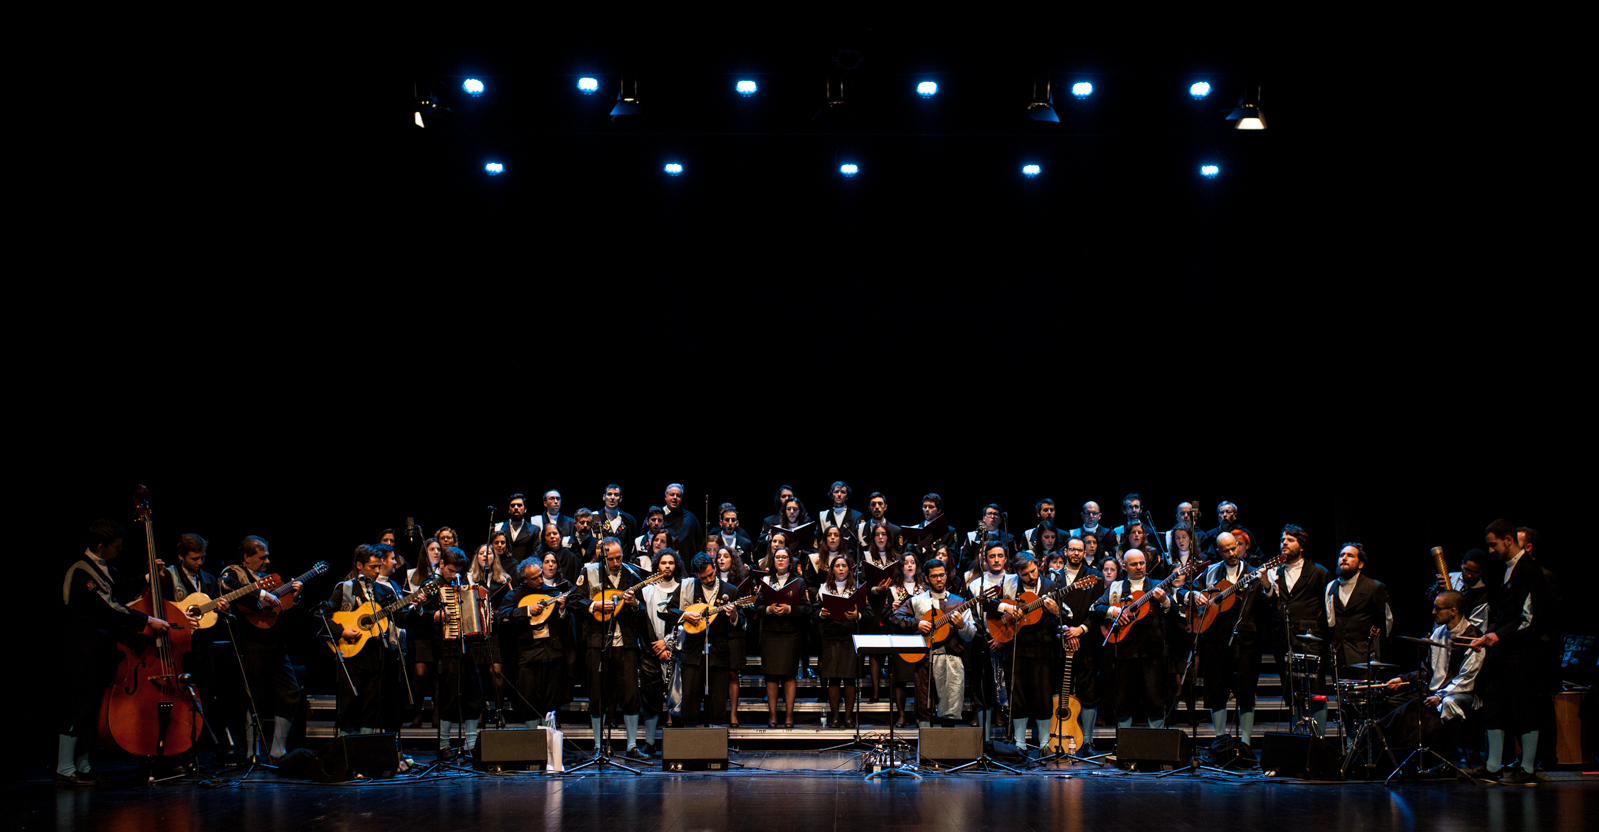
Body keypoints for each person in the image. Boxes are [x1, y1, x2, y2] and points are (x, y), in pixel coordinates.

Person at [57, 519, 175, 786]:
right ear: (101, 545)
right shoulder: (81, 572)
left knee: (90, 707)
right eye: (116, 545)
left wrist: (148, 577)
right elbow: (108, 608)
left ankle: (83, 766)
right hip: (80, 648)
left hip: (99, 648)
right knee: (77, 706)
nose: (121, 549)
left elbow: (120, 586)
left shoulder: (103, 567)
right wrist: (147, 621)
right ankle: (64, 769)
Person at [1468, 518, 1556, 786]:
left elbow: (1530, 618)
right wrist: (1488, 635)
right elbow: (1506, 613)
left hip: (1523, 654)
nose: (1491, 551)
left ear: (1508, 540)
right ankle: (1493, 766)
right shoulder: (1507, 570)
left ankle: (1528, 769)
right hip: (1504, 653)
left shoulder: (1529, 570)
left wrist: (1499, 635)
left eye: (1493, 545)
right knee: (1494, 707)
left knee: (1525, 709)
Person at [221, 535, 303, 763]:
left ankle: (278, 751)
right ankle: (251, 753)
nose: (267, 561)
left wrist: (295, 597)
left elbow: (283, 612)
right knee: (254, 697)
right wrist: (260, 593)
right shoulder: (235, 572)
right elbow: (226, 585)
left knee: (290, 693)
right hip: (251, 642)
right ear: (246, 557)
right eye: (262, 557)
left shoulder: (270, 579)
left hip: (276, 643)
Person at [1180, 532, 1266, 745]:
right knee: (1216, 692)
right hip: (1215, 640)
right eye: (1226, 550)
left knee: (1246, 692)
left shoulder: (1253, 573)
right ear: (1218, 551)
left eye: (1234, 547)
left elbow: (1268, 603)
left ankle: (1245, 744)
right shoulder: (1210, 572)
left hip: (1246, 641)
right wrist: (1192, 596)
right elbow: (1184, 589)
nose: (1231, 553)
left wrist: (1267, 586)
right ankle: (1220, 741)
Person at [571, 538, 647, 759]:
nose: (615, 562)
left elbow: (641, 610)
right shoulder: (589, 572)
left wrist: (634, 605)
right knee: (597, 694)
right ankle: (598, 746)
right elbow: (573, 601)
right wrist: (594, 605)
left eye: (619, 557)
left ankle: (632, 746)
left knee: (631, 693)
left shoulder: (631, 575)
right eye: (611, 559)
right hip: (597, 643)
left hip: (625, 644)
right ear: (603, 557)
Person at [1382, 589, 1483, 755]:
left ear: (1453, 611)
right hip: (1433, 691)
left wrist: (1440, 695)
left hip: (1462, 694)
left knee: (1447, 703)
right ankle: (1396, 756)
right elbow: (1428, 671)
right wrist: (1403, 679)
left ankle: (1442, 758)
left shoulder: (1473, 638)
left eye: (1438, 608)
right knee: (1392, 704)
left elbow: (1467, 678)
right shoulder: (1439, 633)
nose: (1433, 611)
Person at [327, 544, 410, 736]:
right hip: (351, 657)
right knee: (348, 705)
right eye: (372, 567)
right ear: (359, 565)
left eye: (378, 566)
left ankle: (365, 751)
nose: (376, 571)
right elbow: (323, 616)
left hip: (376, 657)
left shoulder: (384, 591)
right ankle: (346, 752)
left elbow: (401, 619)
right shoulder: (344, 588)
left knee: (371, 705)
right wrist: (341, 632)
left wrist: (417, 608)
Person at [420, 548, 491, 759]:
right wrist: (435, 616)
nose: (453, 576)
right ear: (441, 564)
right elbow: (415, 615)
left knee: (473, 695)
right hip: (444, 649)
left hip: (466, 647)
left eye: (458, 571)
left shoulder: (461, 584)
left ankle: (470, 744)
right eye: (450, 571)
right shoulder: (431, 585)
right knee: (448, 697)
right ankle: (443, 745)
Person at [1261, 524, 1330, 735]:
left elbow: (1326, 608)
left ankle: (1318, 739)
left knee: (1314, 691)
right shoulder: (1276, 571)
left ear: (1301, 546)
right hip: (1284, 638)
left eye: (1290, 540)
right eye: (1283, 540)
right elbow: (1273, 602)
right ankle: (1298, 737)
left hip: (1310, 638)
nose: (1284, 543)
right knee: (1291, 691)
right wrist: (1266, 584)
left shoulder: (1318, 572)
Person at [890, 558, 977, 726]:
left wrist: (961, 625)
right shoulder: (917, 600)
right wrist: (917, 624)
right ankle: (925, 751)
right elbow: (895, 617)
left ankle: (946, 748)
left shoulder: (959, 602)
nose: (939, 579)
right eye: (934, 576)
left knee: (950, 708)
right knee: (923, 706)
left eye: (942, 575)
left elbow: (969, 635)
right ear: (927, 579)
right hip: (925, 659)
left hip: (951, 658)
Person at [664, 552, 747, 727]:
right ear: (696, 575)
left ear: (714, 568)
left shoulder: (730, 590)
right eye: (704, 577)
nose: (709, 579)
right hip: (692, 653)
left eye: (711, 574)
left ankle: (715, 741)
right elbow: (665, 611)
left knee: (717, 700)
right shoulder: (687, 588)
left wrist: (733, 616)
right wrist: (685, 615)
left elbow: (741, 623)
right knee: (690, 697)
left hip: (718, 654)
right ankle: (691, 742)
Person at [1095, 550, 1171, 730]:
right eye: (1134, 564)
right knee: (1123, 699)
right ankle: (1123, 745)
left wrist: (1165, 601)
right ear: (1124, 567)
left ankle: (1157, 742)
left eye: (1142, 563)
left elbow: (1173, 612)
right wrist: (1112, 611)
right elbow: (1096, 607)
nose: (1139, 567)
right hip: (1124, 650)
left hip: (1152, 650)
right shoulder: (1116, 587)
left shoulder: (1157, 585)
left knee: (1155, 699)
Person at [496, 556, 569, 730]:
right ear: (524, 579)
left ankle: (548, 742)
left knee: (550, 699)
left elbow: (566, 623)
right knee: (529, 699)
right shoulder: (514, 595)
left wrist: (561, 609)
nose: (539, 580)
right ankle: (532, 742)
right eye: (534, 578)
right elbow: (503, 616)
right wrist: (527, 611)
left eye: (540, 576)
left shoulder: (552, 593)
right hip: (527, 655)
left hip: (551, 653)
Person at [1007, 554, 1063, 753]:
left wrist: (1056, 611)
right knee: (1019, 694)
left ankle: (1044, 744)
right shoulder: (1010, 586)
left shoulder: (1051, 586)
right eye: (1025, 574)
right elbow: (994, 608)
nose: (1031, 576)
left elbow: (1064, 616)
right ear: (1017, 574)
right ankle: (1020, 744)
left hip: (1043, 647)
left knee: (1043, 695)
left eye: (1033, 570)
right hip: (1018, 646)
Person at [965, 540, 1018, 738]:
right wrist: (990, 637)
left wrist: (1003, 638)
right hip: (984, 642)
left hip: (1010, 641)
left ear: (1006, 558)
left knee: (1011, 688)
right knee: (983, 689)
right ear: (985, 559)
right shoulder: (976, 584)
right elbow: (973, 615)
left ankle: (1013, 738)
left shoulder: (1014, 580)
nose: (996, 560)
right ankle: (984, 738)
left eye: (1000, 556)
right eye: (992, 556)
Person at [1055, 536, 1104, 739]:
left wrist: (1081, 629)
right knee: (1059, 689)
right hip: (1061, 640)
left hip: (1086, 641)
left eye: (1080, 550)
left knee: (1088, 692)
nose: (1076, 553)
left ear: (1085, 553)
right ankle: (1058, 735)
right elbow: (1051, 610)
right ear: (1065, 551)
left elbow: (1099, 609)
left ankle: (1088, 740)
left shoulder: (1095, 576)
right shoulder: (1054, 578)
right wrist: (1066, 631)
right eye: (1072, 549)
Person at [755, 547, 810, 727]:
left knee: (789, 675)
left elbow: (806, 609)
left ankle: (788, 716)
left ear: (790, 561)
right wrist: (770, 609)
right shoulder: (766, 581)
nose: (780, 560)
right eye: (777, 557)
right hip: (770, 633)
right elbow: (758, 608)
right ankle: (772, 716)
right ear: (773, 560)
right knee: (770, 676)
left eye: (784, 557)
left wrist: (789, 609)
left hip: (791, 633)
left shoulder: (799, 582)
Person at [635, 549, 680, 754]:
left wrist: (669, 644)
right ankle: (650, 742)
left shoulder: (683, 589)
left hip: (675, 652)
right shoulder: (647, 591)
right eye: (663, 563)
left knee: (677, 698)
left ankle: (677, 744)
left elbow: (683, 622)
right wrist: (657, 646)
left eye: (671, 562)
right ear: (657, 566)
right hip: (652, 652)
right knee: (650, 698)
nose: (667, 566)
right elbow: (644, 624)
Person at [1325, 542, 1393, 677]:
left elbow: (1386, 622)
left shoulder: (1374, 587)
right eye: (1342, 555)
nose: (1344, 558)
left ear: (1360, 564)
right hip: (1338, 657)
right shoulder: (1330, 587)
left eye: (1350, 556)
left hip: (1362, 657)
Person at [815, 554, 863, 728]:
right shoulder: (824, 589)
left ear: (849, 569)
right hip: (831, 637)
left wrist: (857, 615)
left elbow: (870, 613)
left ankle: (849, 717)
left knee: (850, 679)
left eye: (844, 566)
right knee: (833, 679)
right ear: (832, 569)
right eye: (837, 566)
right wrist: (821, 613)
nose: (841, 569)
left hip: (850, 638)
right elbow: (813, 613)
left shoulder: (857, 589)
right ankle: (835, 717)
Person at [884, 553, 928, 726]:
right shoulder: (893, 590)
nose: (910, 565)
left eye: (913, 562)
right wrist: (893, 608)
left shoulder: (924, 589)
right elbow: (884, 616)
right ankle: (901, 715)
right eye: (906, 563)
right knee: (900, 678)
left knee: (920, 678)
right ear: (901, 567)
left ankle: (919, 714)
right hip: (900, 638)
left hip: (919, 637)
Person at [715, 547, 751, 725]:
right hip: (715, 634)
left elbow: (746, 613)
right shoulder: (710, 580)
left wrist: (735, 615)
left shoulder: (739, 582)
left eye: (726, 556)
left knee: (732, 673)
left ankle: (733, 715)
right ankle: (718, 713)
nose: (721, 559)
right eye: (719, 556)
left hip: (734, 634)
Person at [1429, 548, 1491, 632]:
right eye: (1467, 570)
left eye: (1475, 572)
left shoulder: (1481, 595)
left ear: (1480, 572)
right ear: (1462, 564)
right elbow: (1429, 601)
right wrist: (1437, 591)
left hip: (1458, 637)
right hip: (1438, 633)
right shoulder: (1450, 578)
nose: (1469, 575)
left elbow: (1478, 629)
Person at [907, 493, 959, 558]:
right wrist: (918, 548)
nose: (927, 509)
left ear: (939, 510)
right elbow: (907, 555)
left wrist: (934, 552)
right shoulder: (915, 529)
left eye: (931, 507)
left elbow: (954, 556)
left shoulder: (949, 531)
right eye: (924, 507)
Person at [662, 483, 704, 559]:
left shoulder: (690, 518)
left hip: (685, 564)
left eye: (678, 496)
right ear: (665, 497)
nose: (675, 497)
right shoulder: (657, 517)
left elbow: (699, 543)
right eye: (672, 494)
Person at [819, 480, 866, 547]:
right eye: (836, 492)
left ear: (847, 497)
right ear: (832, 496)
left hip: (849, 555)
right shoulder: (823, 516)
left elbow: (861, 542)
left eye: (843, 492)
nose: (839, 495)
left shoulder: (857, 516)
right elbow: (818, 539)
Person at [496, 493, 538, 568]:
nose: (516, 508)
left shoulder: (534, 529)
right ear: (509, 510)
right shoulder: (500, 528)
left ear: (525, 509)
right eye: (512, 505)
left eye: (519, 505)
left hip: (525, 571)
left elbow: (536, 553)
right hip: (503, 570)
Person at [598, 484, 637, 556]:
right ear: (604, 497)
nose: (612, 498)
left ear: (620, 498)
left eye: (616, 495)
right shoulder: (596, 518)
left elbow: (632, 544)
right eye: (609, 494)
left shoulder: (628, 520)